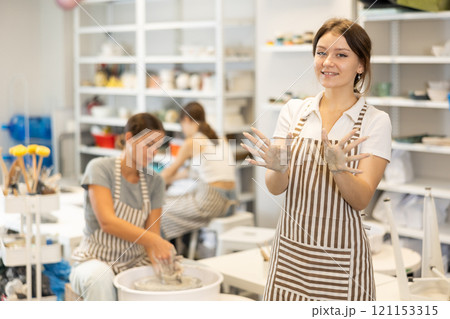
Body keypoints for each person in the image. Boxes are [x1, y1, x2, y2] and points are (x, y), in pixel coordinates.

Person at [242, 18, 391, 301]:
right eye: (321, 52)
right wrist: (278, 168)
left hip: (341, 259)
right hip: (290, 253)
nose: (327, 62)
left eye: (341, 55)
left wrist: (339, 169)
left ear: (361, 65)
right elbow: (275, 187)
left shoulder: (375, 121)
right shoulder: (295, 110)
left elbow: (361, 200)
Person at [70, 113, 174, 301]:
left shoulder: (155, 181)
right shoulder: (99, 168)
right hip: (95, 259)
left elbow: (153, 234)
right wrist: (154, 240)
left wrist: (162, 270)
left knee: (178, 277)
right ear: (129, 138)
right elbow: (108, 222)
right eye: (148, 145)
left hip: (135, 261)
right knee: (99, 279)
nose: (153, 154)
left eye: (157, 148)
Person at [160, 102, 237, 241]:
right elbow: (189, 174)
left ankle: (160, 252)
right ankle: (182, 247)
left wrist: (151, 181)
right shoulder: (219, 138)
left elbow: (169, 172)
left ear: (187, 120)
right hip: (231, 201)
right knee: (171, 201)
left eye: (182, 125)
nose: (183, 130)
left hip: (211, 203)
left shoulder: (192, 142)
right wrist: (169, 180)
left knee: (158, 209)